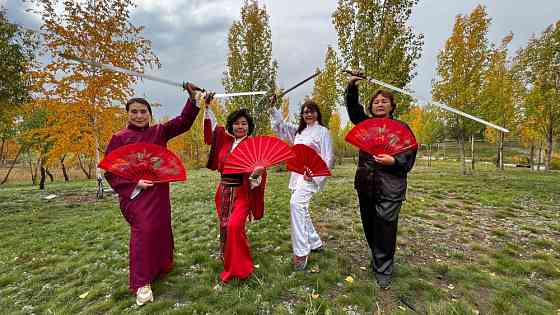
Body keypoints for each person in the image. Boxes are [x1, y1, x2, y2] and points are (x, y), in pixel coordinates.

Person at [104, 83, 203, 305]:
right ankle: (142, 282)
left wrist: (193, 98)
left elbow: (184, 122)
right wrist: (135, 184)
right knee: (144, 232)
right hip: (135, 195)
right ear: (128, 114)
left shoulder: (158, 131)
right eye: (134, 112)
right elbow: (110, 170)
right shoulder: (119, 137)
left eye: (143, 111)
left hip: (158, 192)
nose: (139, 116)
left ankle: (160, 265)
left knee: (160, 228)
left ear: (150, 114)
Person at [345, 71, 417, 289]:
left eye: (384, 101)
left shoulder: (402, 129)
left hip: (390, 187)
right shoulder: (365, 124)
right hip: (366, 184)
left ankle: (383, 269)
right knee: (369, 225)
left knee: (385, 226)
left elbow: (408, 157)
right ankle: (379, 256)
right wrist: (352, 86)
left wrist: (392, 161)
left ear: (391, 106)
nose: (379, 104)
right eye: (376, 101)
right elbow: (353, 109)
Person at [203, 99, 267, 283]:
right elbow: (214, 128)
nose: (240, 126)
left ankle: (240, 268)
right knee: (226, 226)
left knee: (234, 226)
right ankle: (228, 255)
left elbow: (257, 177)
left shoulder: (254, 146)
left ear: (249, 126)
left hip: (242, 192)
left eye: (244, 123)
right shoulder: (226, 141)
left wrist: (256, 175)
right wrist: (207, 107)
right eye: (237, 123)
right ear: (232, 125)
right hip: (223, 192)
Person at [270, 99, 334, 271]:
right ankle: (315, 242)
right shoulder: (299, 132)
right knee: (302, 209)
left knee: (296, 204)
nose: (308, 114)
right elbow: (280, 127)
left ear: (317, 113)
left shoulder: (323, 132)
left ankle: (301, 252)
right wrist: (273, 107)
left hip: (312, 176)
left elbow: (328, 158)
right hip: (297, 175)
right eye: (305, 111)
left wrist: (316, 175)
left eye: (311, 111)